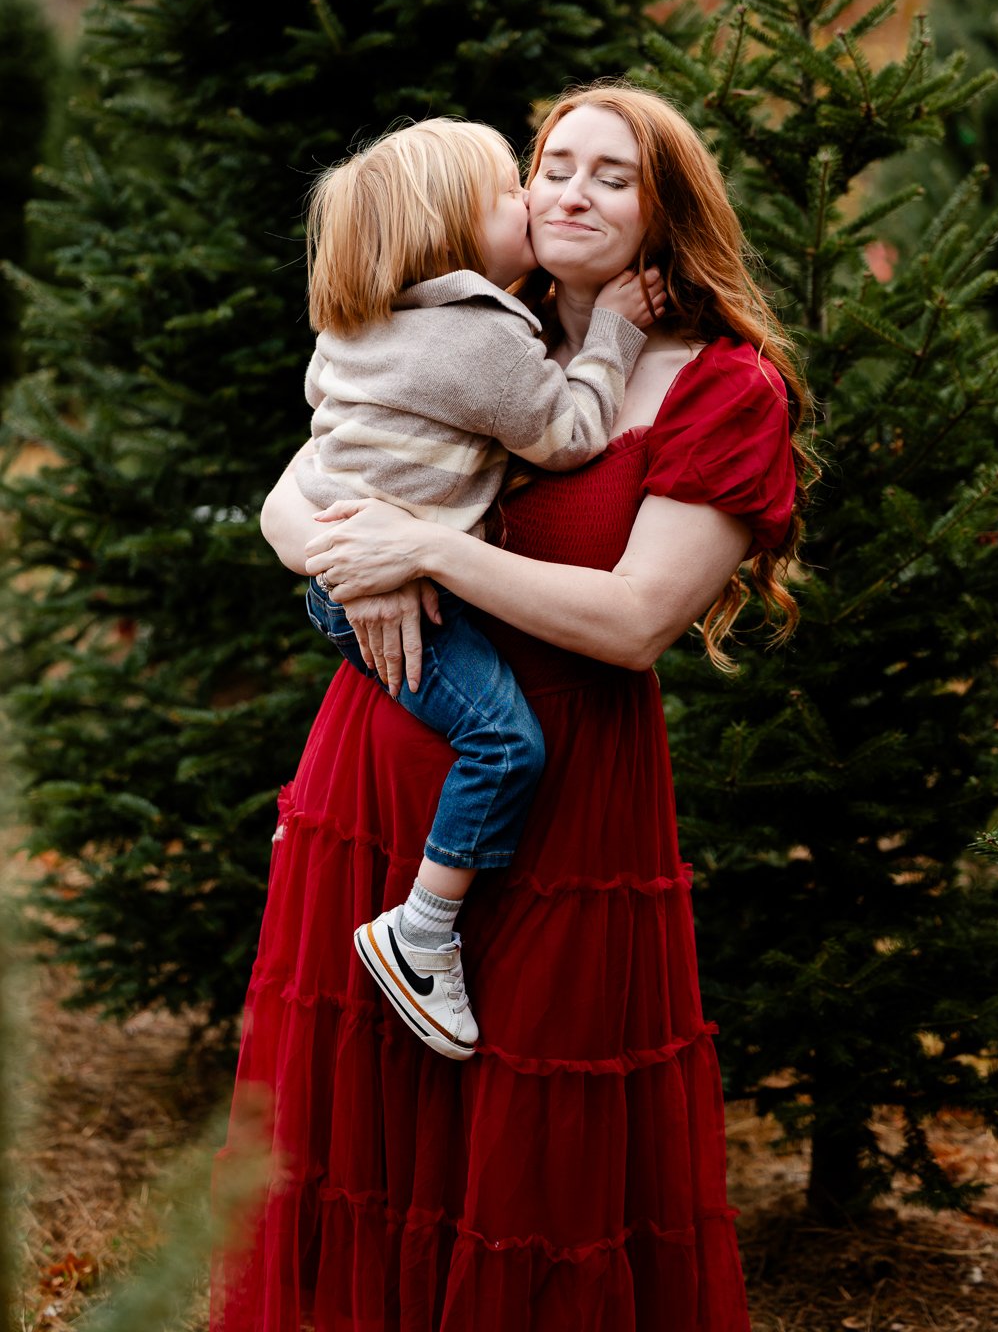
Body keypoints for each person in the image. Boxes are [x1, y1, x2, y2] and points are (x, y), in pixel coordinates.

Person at [213, 83, 812, 1332]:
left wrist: (423, 553)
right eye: (552, 165)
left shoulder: (723, 390)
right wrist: (344, 549)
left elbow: (637, 621)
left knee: (529, 1158)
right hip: (372, 784)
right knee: (370, 1145)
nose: (569, 192)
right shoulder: (483, 325)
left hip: (565, 808)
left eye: (612, 173)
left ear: (666, 212)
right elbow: (293, 495)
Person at [295, 117, 663, 1061]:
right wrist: (614, 336)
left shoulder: (365, 322)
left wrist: (376, 552)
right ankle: (420, 934)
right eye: (515, 189)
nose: (535, 201)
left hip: (345, 585)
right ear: (451, 231)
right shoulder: (481, 336)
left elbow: (320, 463)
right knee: (502, 745)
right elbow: (571, 434)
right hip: (379, 586)